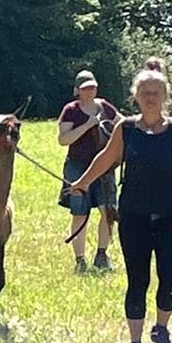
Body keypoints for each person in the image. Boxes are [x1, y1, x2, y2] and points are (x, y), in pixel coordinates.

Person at [71, 67, 172, 343]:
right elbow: (105, 159)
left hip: (171, 217)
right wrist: (84, 182)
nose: (151, 98)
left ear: (166, 96)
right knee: (137, 281)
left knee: (169, 280)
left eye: (156, 92)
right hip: (134, 218)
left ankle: (162, 330)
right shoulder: (126, 129)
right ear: (136, 97)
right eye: (145, 93)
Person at [57, 70, 120, 273]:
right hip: (77, 167)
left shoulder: (105, 107)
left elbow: (123, 124)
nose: (89, 91)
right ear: (77, 90)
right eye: (85, 88)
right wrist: (87, 125)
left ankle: (102, 255)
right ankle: (80, 260)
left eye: (92, 87)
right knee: (79, 213)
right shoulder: (71, 111)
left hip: (104, 167)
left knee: (107, 211)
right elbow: (63, 139)